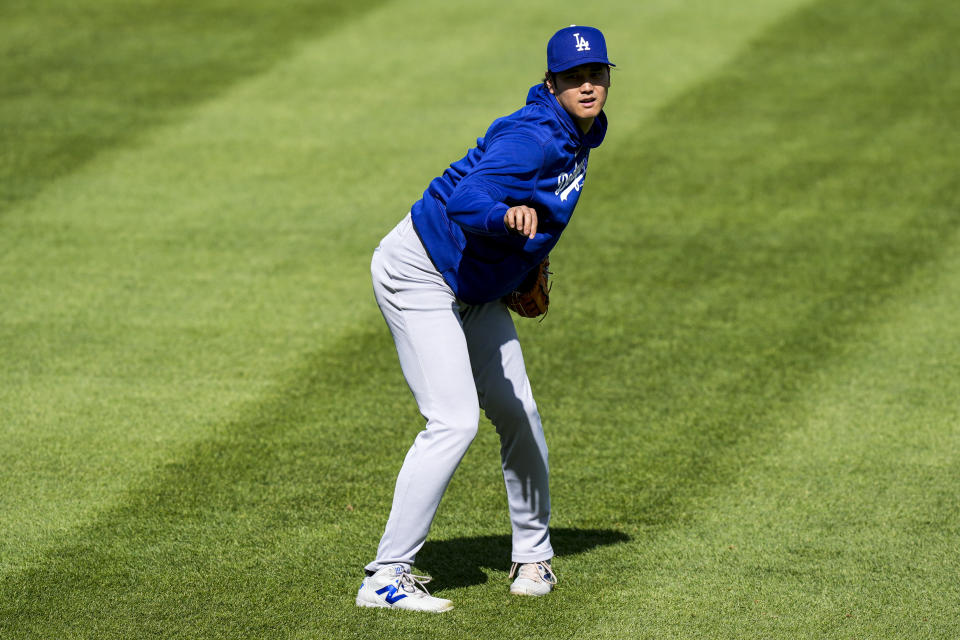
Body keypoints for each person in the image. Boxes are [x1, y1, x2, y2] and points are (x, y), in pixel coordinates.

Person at [355, 25, 614, 613]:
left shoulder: (584, 130)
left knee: (517, 411)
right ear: (552, 84)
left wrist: (524, 262)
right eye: (574, 77)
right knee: (452, 420)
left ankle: (533, 557)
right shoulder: (534, 137)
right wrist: (506, 219)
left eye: (596, 74)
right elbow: (467, 197)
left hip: (474, 287)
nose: (588, 85)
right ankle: (385, 577)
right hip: (420, 270)